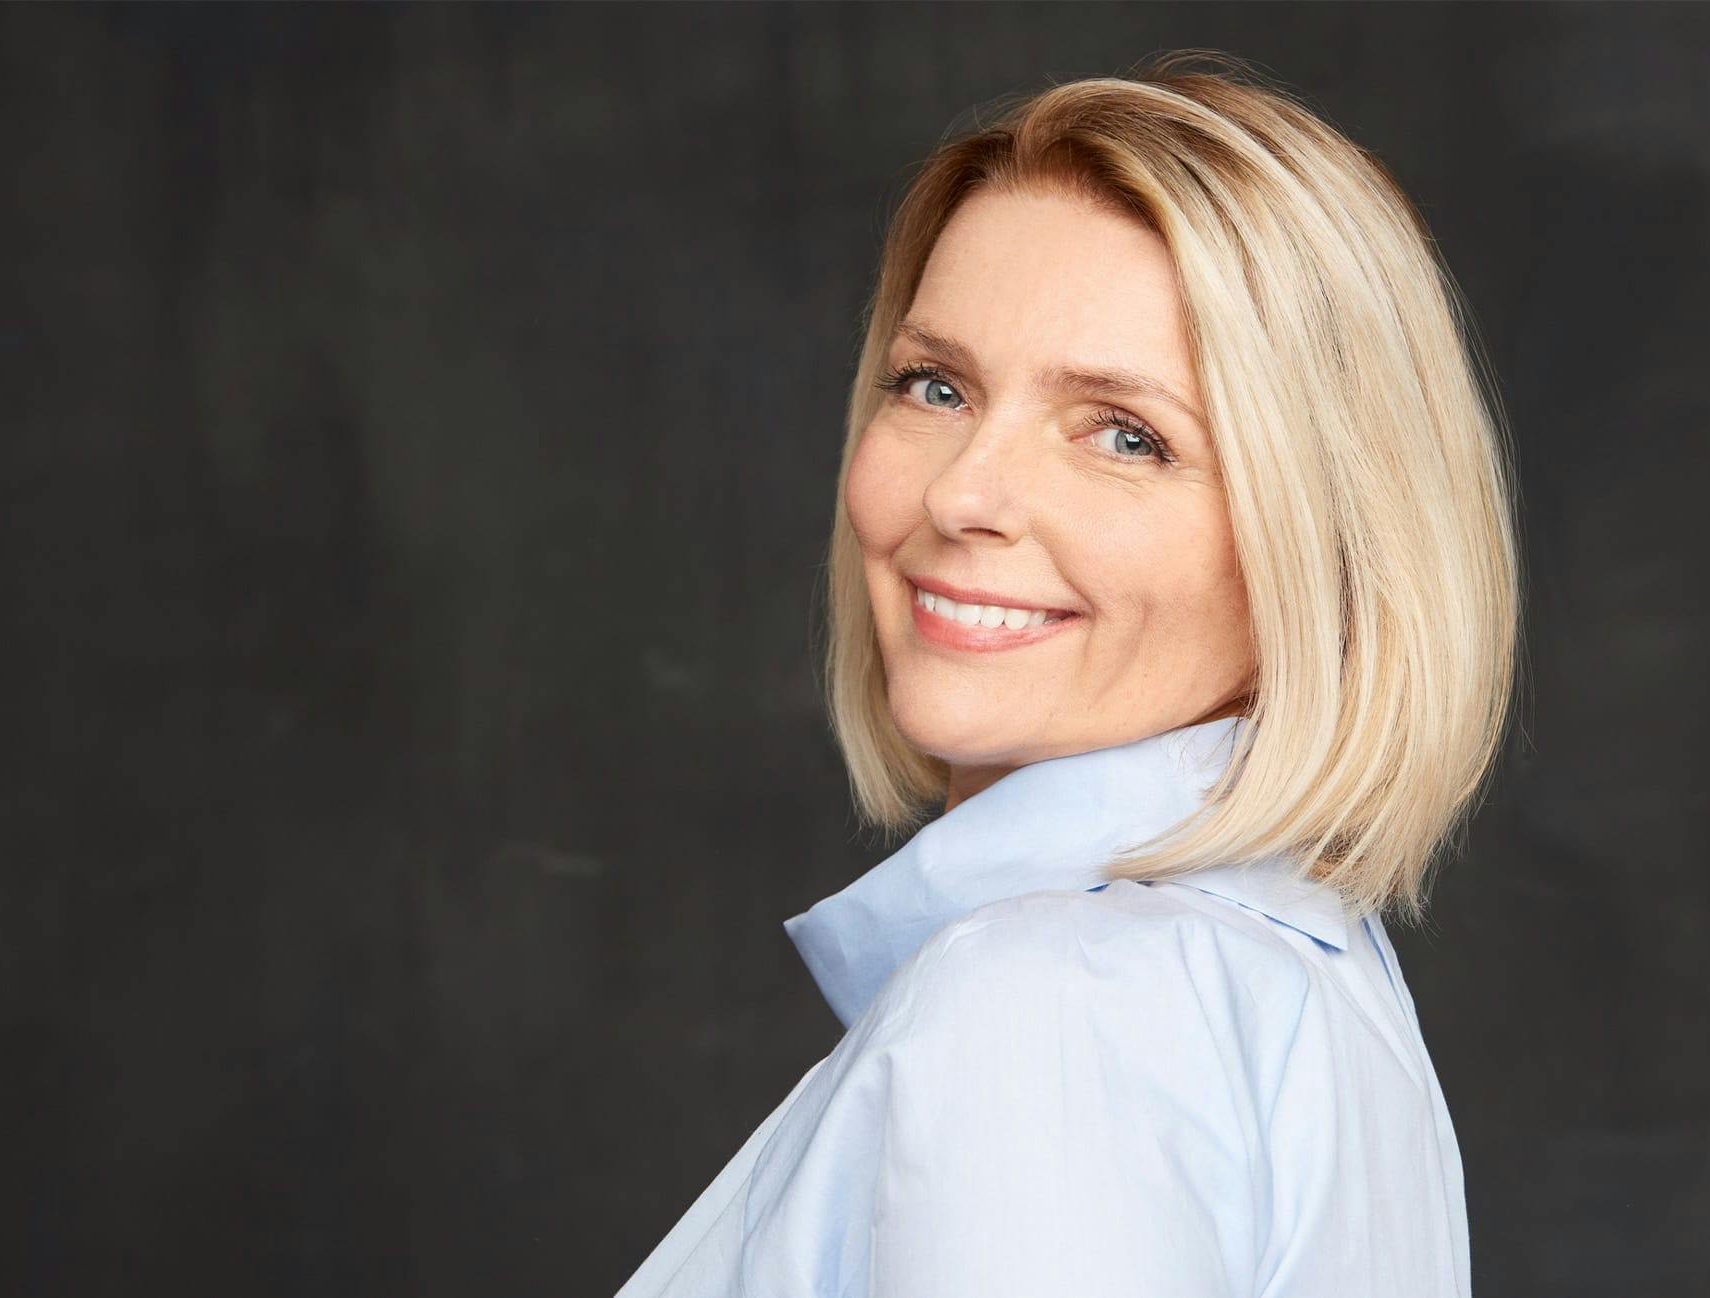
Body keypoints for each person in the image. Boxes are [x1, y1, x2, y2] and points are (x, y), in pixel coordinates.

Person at [616, 48, 1520, 1298]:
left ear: (1321, 548)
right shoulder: (1290, 983)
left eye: (1125, 435)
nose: (960, 491)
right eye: (935, 385)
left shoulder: (1045, 1006)